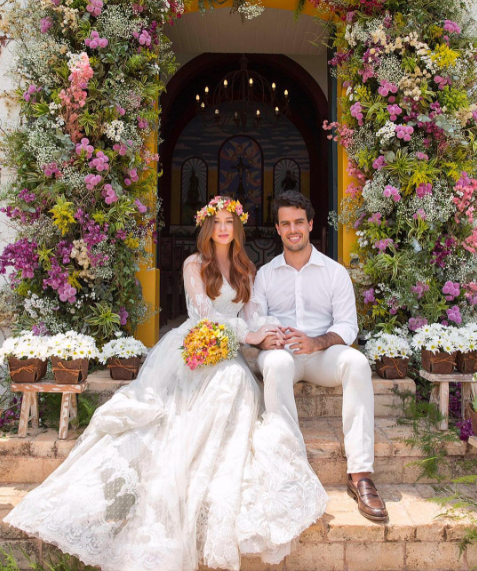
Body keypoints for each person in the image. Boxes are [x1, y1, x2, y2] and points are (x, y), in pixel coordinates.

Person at [5, 196, 328, 571]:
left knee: (237, 378)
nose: (224, 228)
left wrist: (265, 336)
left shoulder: (246, 268)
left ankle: (207, 457)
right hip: (197, 345)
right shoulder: (196, 265)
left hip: (230, 349)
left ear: (237, 227)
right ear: (207, 227)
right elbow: (204, 316)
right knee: (223, 381)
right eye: (217, 221)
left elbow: (254, 316)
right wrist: (251, 336)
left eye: (229, 221)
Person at [254, 190, 388, 523]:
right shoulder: (266, 274)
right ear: (278, 229)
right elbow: (254, 321)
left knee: (356, 362)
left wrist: (316, 342)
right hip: (280, 354)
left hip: (320, 354)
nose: (293, 229)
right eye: (285, 223)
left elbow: (348, 325)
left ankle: (360, 475)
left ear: (311, 224)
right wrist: (271, 334)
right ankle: (288, 467)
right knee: (279, 362)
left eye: (299, 221)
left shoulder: (334, 272)